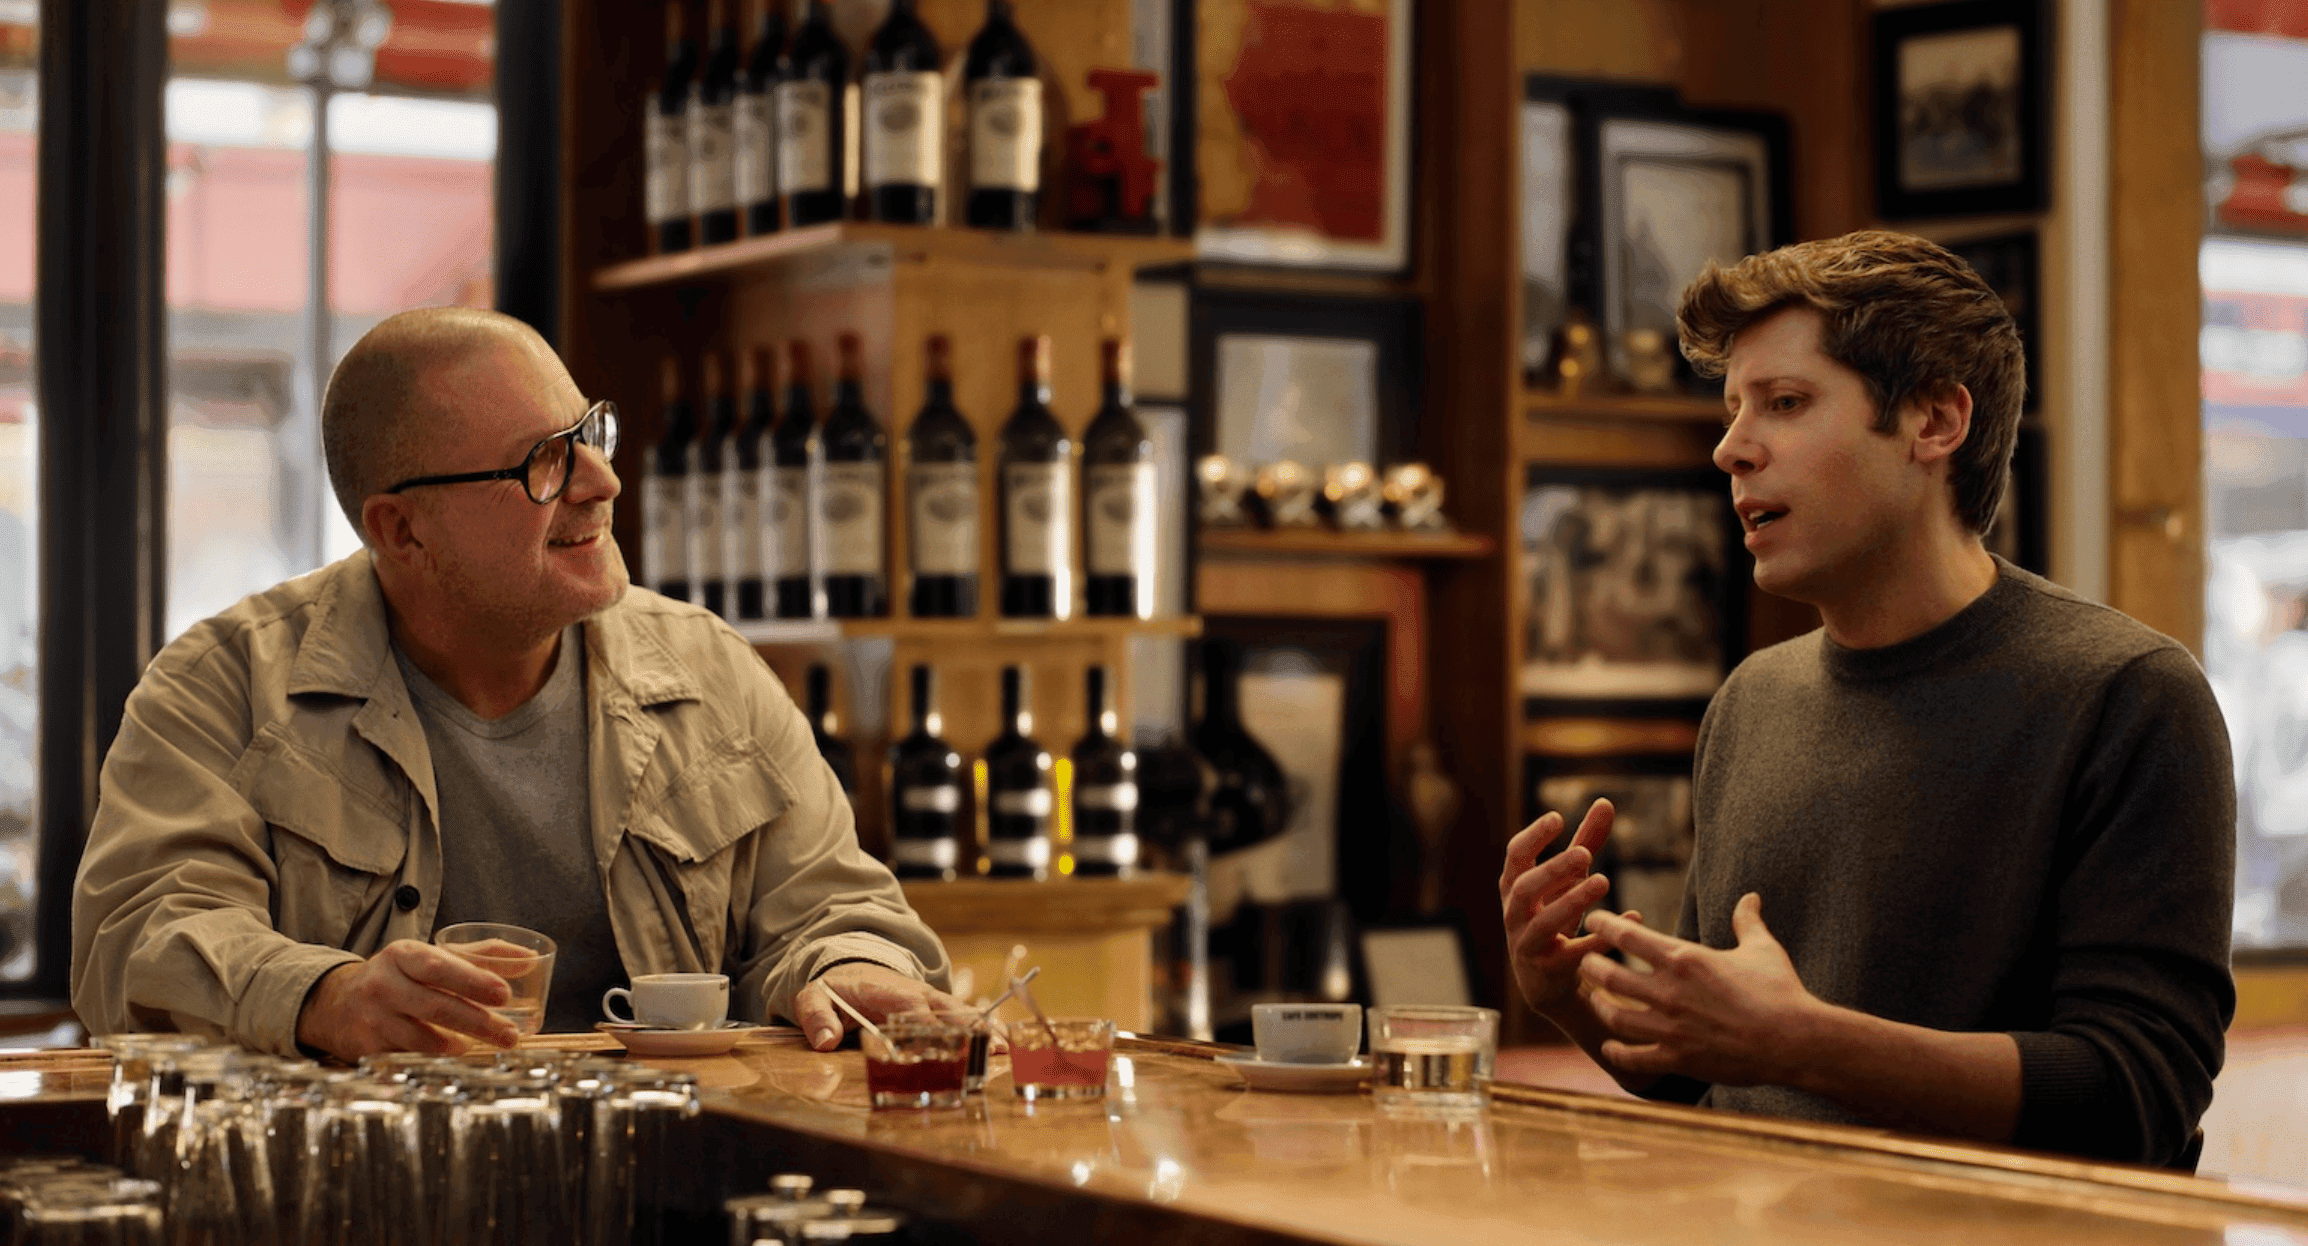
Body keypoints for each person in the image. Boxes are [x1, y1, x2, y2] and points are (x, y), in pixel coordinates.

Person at [1499, 231, 2234, 1168]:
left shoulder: (2129, 695)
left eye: (1786, 404)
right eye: (1732, 411)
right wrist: (1571, 995)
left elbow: (2138, 1094)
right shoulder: (1751, 702)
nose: (1731, 448)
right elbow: (1718, 1077)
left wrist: (1806, 1041)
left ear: (1934, 423)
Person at [72, 308, 958, 1061]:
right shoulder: (222, 687)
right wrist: (326, 997)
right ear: (402, 530)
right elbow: (135, 940)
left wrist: (850, 970)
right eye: (545, 461)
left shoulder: (706, 668)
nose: (604, 481)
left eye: (592, 434)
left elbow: (833, 905)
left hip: (670, 1192)